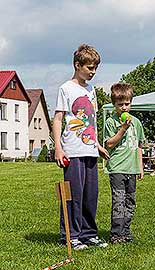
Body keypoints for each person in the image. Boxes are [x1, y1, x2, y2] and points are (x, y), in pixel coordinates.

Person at [52, 44, 109, 250]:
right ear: (78, 65)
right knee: (74, 195)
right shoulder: (66, 89)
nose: (93, 72)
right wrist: (58, 147)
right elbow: (58, 119)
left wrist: (98, 145)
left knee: (90, 195)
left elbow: (90, 122)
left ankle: (88, 233)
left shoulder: (91, 90)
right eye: (90, 68)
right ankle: (70, 235)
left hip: (90, 150)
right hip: (73, 151)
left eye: (95, 68)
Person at [104, 83, 145, 244]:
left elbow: (139, 146)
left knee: (130, 201)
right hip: (117, 168)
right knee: (118, 201)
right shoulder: (111, 122)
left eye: (127, 104)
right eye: (120, 104)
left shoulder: (136, 122)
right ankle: (116, 234)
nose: (124, 107)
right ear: (114, 105)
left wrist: (140, 167)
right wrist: (122, 129)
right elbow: (109, 144)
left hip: (132, 167)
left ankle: (126, 231)